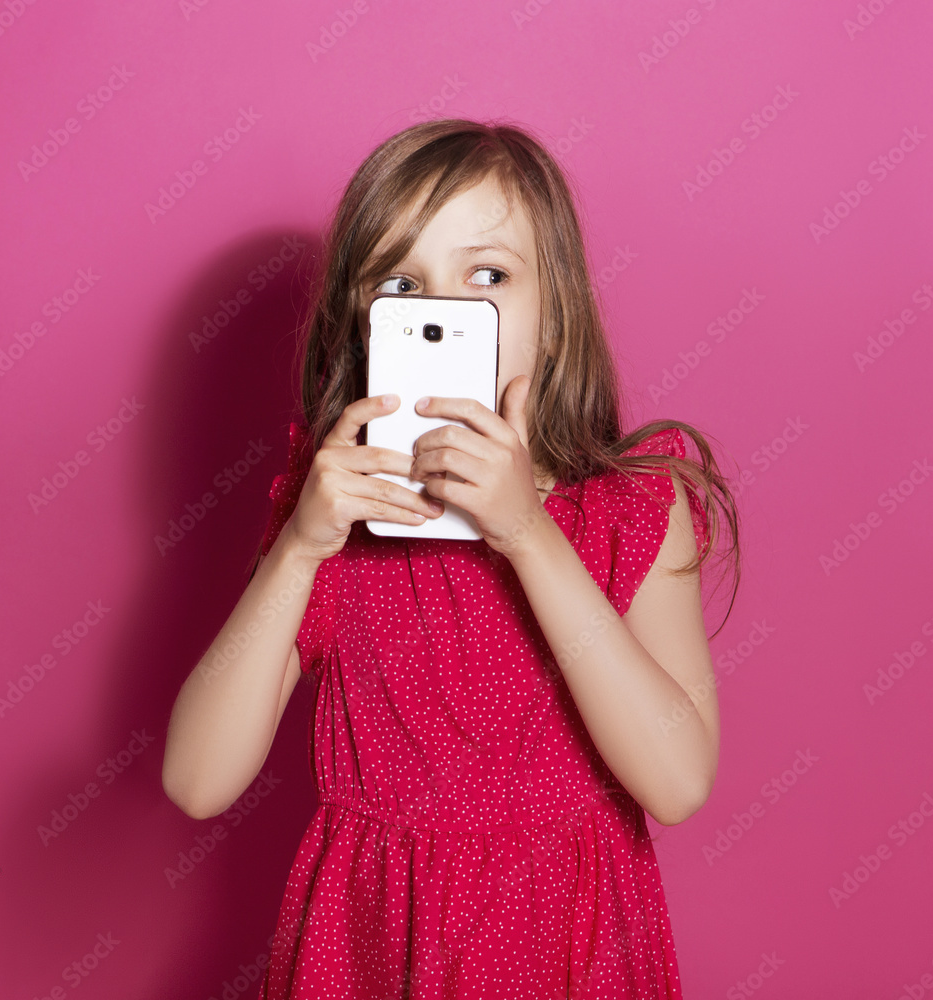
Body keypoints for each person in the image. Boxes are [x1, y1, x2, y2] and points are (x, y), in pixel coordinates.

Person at [162, 117, 742, 999]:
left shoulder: (632, 510)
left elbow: (677, 781)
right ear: (366, 327)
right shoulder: (328, 521)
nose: (446, 308)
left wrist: (526, 533)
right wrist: (298, 549)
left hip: (567, 946)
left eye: (489, 276)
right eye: (402, 283)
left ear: (556, 315)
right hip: (370, 948)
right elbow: (197, 780)